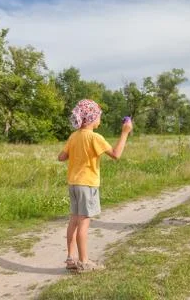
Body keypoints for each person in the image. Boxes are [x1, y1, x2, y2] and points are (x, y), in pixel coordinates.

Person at [58, 99, 133, 271]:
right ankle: (84, 262)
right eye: (99, 117)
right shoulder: (95, 137)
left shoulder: (74, 136)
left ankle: (71, 258)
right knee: (84, 223)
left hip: (74, 184)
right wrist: (125, 133)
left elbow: (61, 157)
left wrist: (76, 152)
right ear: (91, 118)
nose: (100, 120)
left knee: (73, 221)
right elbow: (116, 154)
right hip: (87, 185)